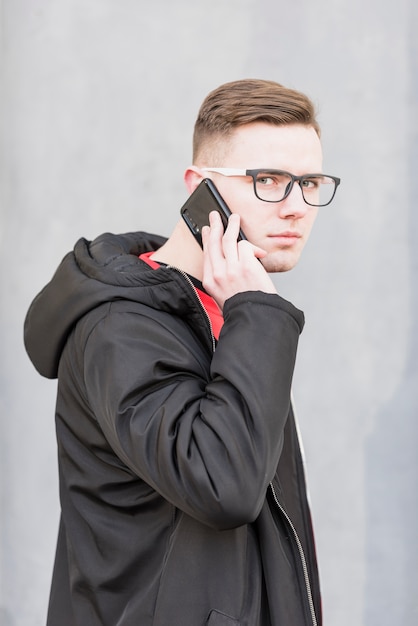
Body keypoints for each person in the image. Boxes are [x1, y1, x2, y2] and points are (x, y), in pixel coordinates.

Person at [24, 78, 340, 626]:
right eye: (268, 180)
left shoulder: (227, 311)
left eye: (310, 182)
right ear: (199, 187)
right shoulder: (121, 329)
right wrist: (258, 315)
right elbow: (224, 487)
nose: (296, 207)